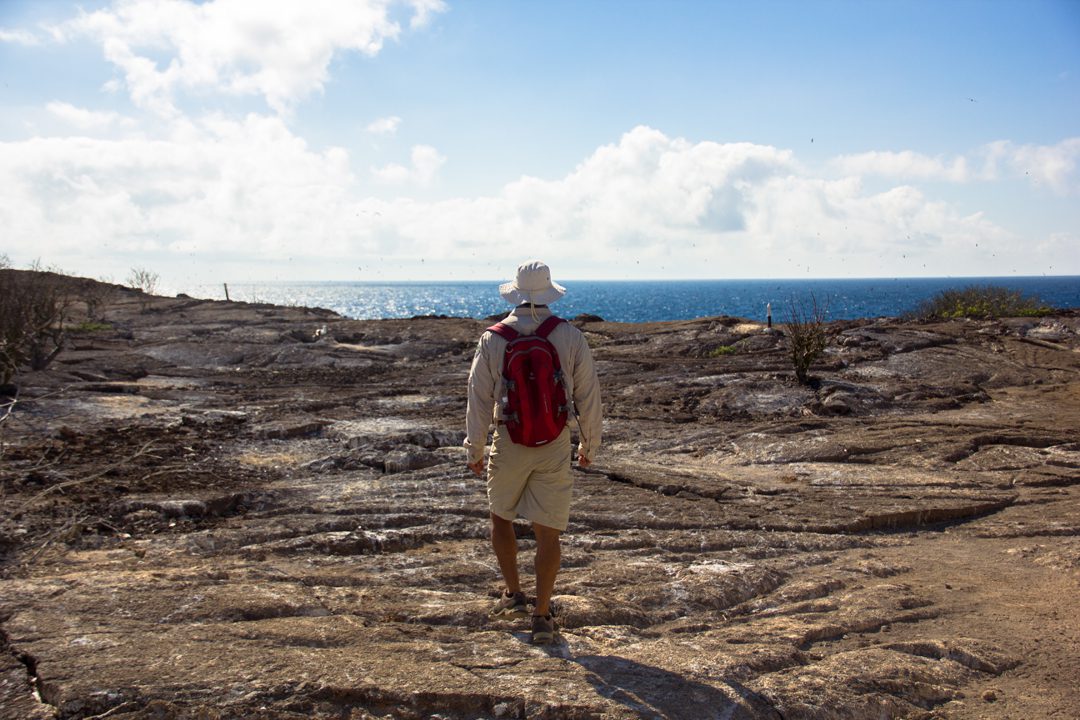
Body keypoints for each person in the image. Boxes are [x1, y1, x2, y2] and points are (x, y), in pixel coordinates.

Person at [465, 260, 602, 645]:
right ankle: (542, 617)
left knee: (501, 516)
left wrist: (474, 447)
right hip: (554, 440)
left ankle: (513, 595)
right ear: (548, 294)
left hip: (509, 438)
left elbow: (478, 399)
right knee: (548, 531)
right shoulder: (569, 336)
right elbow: (588, 396)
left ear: (516, 293)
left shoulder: (493, 338)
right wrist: (589, 445)